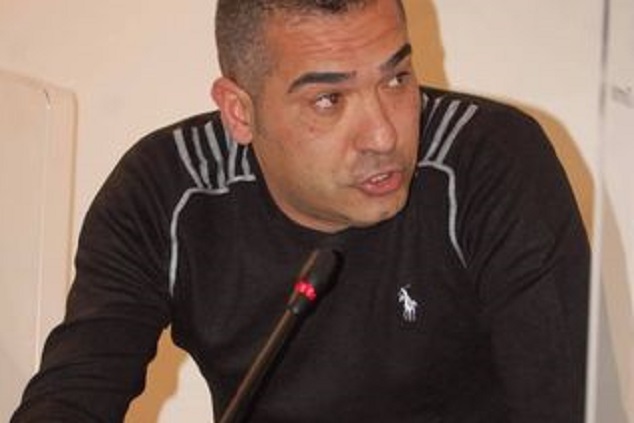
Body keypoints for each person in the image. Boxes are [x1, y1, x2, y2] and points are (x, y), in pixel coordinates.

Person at [12, 0, 590, 421]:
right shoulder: (168, 191)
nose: (384, 136)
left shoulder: (489, 161)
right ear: (239, 112)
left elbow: (567, 405)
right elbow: (73, 397)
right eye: (329, 99)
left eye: (396, 79)